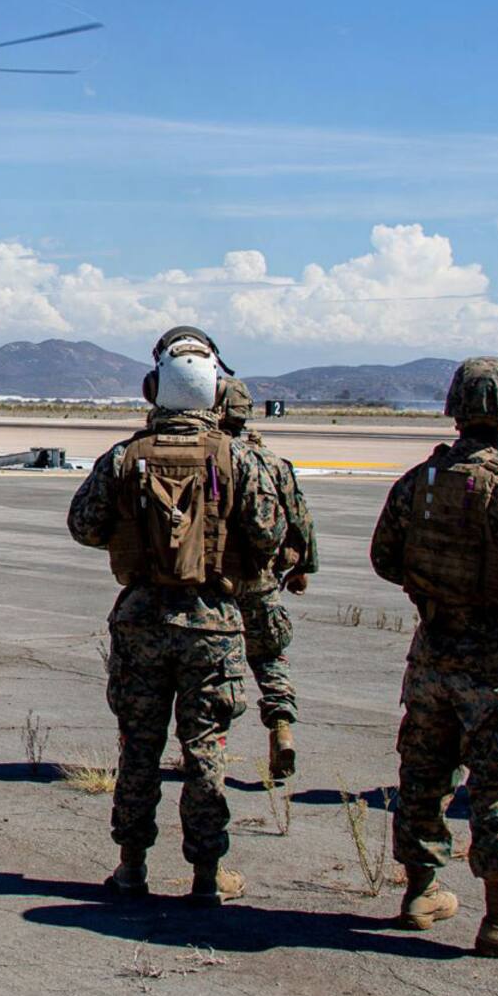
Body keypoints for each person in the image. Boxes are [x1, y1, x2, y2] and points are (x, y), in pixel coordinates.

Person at [370, 357, 498, 958]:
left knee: (423, 776)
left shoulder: (419, 483)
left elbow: (385, 559)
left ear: (455, 409)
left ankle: (421, 891)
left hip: (433, 658)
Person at [68, 327, 285, 904]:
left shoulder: (123, 457)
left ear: (154, 389)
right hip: (213, 624)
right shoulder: (239, 459)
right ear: (215, 393)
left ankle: (131, 866)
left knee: (138, 747)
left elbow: (83, 526)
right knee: (205, 750)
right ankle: (207, 877)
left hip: (141, 622)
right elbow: (269, 537)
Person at [217, 377, 317, 779]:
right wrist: (303, 567)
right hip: (263, 581)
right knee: (271, 660)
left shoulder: (213, 458)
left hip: (215, 584)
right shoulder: (272, 462)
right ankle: (282, 729)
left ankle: (213, 747)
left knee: (214, 668)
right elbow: (301, 518)